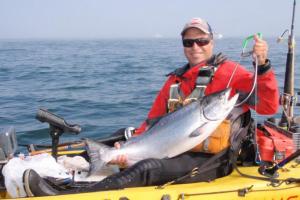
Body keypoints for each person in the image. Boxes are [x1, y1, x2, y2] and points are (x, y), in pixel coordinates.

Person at [23, 17, 279, 196]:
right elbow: (152, 122)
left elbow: (268, 105)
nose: (195, 48)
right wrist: (128, 146)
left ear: (211, 41)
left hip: (213, 158)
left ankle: (75, 194)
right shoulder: (174, 80)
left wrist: (263, 64)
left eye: (201, 41)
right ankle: (95, 165)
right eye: (188, 43)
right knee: (127, 144)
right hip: (173, 148)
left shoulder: (231, 73)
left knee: (146, 168)